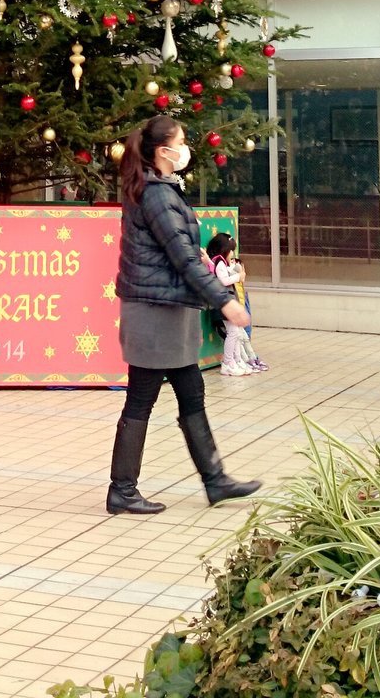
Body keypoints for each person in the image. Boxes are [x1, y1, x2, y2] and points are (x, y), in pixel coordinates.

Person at [104, 116, 259, 516]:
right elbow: (183, 258)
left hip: (167, 309)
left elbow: (185, 255)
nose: (186, 148)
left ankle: (215, 481)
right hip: (153, 313)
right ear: (163, 151)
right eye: (181, 141)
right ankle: (122, 489)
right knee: (142, 398)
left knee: (191, 392)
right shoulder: (156, 195)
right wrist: (224, 301)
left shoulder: (160, 190)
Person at [205, 233, 264, 376]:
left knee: (236, 333)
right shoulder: (218, 262)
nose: (232, 253)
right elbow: (224, 281)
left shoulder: (221, 262)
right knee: (233, 333)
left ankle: (237, 361)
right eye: (231, 250)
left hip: (228, 302)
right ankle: (229, 362)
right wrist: (238, 276)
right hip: (224, 304)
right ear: (224, 249)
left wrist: (235, 270)